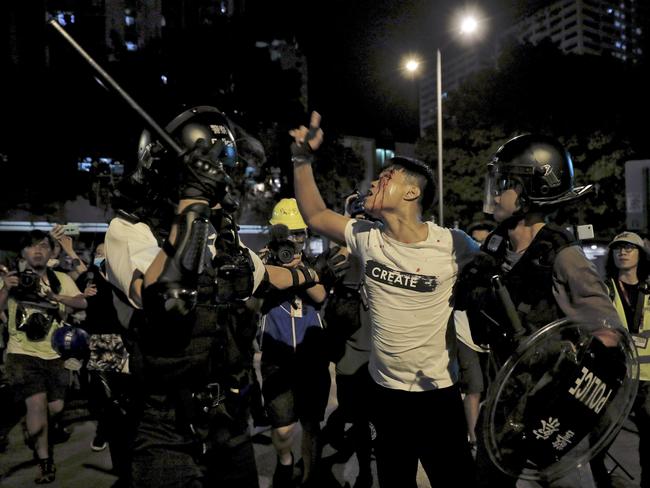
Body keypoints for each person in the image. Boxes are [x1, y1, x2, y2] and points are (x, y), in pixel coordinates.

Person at [105, 106, 326, 488]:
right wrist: (192, 204)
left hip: (231, 421)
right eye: (212, 167)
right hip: (167, 429)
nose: (224, 179)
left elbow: (262, 275)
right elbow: (167, 299)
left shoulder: (226, 236)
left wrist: (309, 273)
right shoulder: (130, 230)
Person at [291, 112, 478, 487]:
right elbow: (313, 214)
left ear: (412, 192)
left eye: (385, 177)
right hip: (385, 396)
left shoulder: (455, 244)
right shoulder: (366, 237)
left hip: (438, 395)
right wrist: (301, 158)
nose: (374, 182)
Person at [454, 134, 624, 487]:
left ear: (532, 189)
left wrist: (563, 389)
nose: (496, 193)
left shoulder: (562, 256)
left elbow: (610, 338)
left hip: (552, 415)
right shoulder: (494, 250)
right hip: (503, 406)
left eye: (506, 184)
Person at [0, 230, 87, 484]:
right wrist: (6, 288)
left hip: (56, 353)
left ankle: (42, 428)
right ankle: (45, 461)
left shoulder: (60, 279)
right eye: (30, 246)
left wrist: (55, 297)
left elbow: (82, 304)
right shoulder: (11, 280)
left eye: (42, 246)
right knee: (36, 404)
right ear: (23, 253)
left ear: (51, 252)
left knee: (56, 408)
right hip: (22, 353)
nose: (37, 250)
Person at [256, 198, 331, 488]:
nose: (295, 240)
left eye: (300, 233)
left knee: (312, 424)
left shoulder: (313, 264)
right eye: (288, 234)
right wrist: (267, 266)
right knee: (283, 427)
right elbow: (253, 296)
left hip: (312, 358)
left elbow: (321, 297)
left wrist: (301, 272)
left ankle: (310, 475)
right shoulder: (262, 266)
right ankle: (285, 462)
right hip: (277, 356)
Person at [320, 192, 373, 488]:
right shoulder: (342, 253)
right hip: (351, 355)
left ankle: (365, 471)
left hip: (373, 354)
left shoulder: (380, 252)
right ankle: (364, 471)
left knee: (366, 420)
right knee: (359, 418)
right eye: (358, 222)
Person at [589, 231, 650, 488]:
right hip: (616, 375)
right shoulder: (604, 290)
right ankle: (602, 482)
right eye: (618, 248)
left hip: (648, 378)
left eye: (629, 248)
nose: (623, 252)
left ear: (640, 255)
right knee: (600, 437)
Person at [75, 241, 134, 481]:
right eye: (97, 253)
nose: (100, 257)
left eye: (105, 253)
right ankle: (119, 462)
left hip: (129, 344)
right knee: (110, 403)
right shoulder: (92, 281)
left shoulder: (124, 279)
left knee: (127, 405)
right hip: (102, 343)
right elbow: (78, 297)